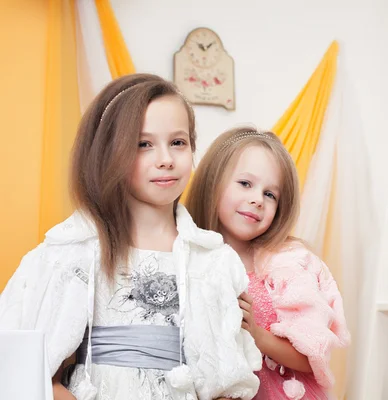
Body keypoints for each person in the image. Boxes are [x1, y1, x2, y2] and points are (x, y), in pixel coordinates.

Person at [0, 74, 261, 400]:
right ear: (109, 153)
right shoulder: (71, 252)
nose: (166, 158)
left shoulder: (213, 260)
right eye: (143, 144)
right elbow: (25, 369)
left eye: (178, 142)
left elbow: (228, 380)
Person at [186, 126, 350, 399]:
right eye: (245, 184)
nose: (257, 200)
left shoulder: (290, 264)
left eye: (270, 194)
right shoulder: (187, 257)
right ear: (213, 181)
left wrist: (257, 334)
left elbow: (311, 359)